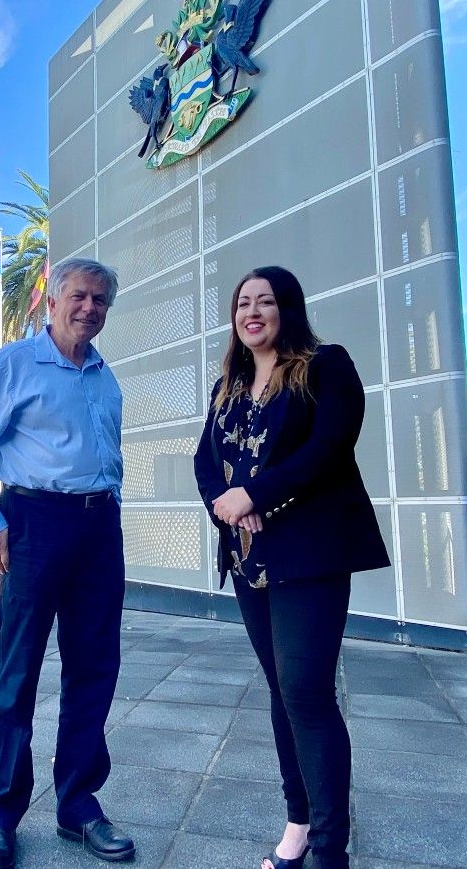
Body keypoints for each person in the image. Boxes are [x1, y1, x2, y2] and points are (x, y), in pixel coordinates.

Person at [0, 256, 135, 868]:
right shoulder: (13, 365)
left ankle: (78, 806)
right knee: (17, 673)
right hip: (35, 525)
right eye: (78, 296)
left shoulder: (106, 378)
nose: (89, 309)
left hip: (99, 527)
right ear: (51, 300)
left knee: (94, 669)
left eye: (100, 301)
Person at [192, 266, 389, 869]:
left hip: (311, 552)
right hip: (252, 560)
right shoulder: (227, 384)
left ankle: (332, 849)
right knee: (282, 690)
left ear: (289, 308)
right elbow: (206, 461)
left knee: (306, 692)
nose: (253, 312)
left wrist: (257, 495)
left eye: (266, 301)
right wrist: (228, 507)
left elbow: (328, 449)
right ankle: (299, 824)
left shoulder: (326, 365)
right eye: (242, 303)